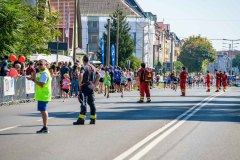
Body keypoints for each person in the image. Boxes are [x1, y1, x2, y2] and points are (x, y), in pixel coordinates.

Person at [73, 55, 100, 125]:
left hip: (84, 86)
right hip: (91, 86)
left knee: (83, 103)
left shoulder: (84, 67)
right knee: (92, 103)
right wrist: (94, 85)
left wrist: (79, 84)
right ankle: (93, 119)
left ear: (83, 60)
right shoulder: (93, 67)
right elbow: (99, 75)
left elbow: (81, 75)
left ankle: (81, 119)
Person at [29, 59, 52, 134]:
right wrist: (32, 79)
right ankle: (44, 127)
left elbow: (42, 84)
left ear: (45, 65)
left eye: (41, 64)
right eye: (38, 64)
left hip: (44, 95)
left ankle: (45, 127)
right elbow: (37, 80)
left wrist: (33, 80)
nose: (38, 65)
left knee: (43, 110)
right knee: (42, 111)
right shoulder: (42, 72)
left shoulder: (44, 73)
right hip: (42, 95)